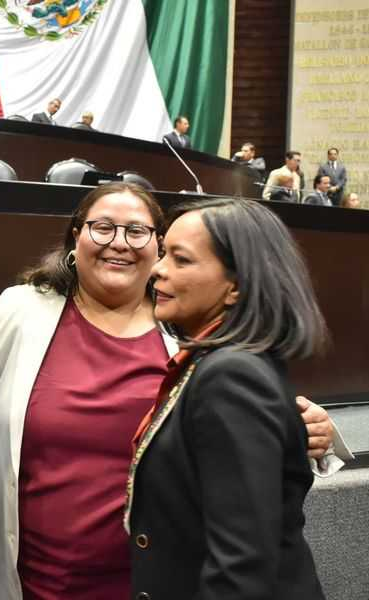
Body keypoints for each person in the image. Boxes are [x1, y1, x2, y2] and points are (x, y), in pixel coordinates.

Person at [0, 182, 349, 600]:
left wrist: (308, 427)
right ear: (76, 235)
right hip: (33, 582)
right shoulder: (21, 311)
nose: (119, 242)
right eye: (103, 227)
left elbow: (243, 446)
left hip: (155, 583)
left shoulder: (190, 332)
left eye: (137, 231)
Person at [127, 197, 328, 599]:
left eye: (181, 259)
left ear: (236, 286)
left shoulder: (231, 375)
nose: (158, 269)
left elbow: (241, 566)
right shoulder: (218, 362)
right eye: (163, 253)